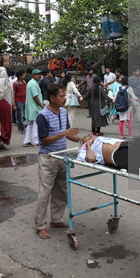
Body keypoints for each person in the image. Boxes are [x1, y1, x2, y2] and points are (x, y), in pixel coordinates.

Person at [34, 83, 81, 239]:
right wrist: (64, 133)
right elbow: (44, 140)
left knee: (61, 191)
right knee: (44, 193)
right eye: (61, 96)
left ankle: (56, 220)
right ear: (52, 98)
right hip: (48, 158)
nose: (65, 98)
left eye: (64, 95)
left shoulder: (63, 111)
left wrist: (82, 139)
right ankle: (40, 226)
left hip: (62, 157)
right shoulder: (42, 115)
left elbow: (68, 135)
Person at [24, 69, 44, 147]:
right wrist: (41, 106)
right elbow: (35, 97)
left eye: (40, 74)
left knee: (30, 124)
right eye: (38, 74)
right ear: (33, 75)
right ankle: (35, 141)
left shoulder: (32, 83)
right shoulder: (33, 84)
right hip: (34, 107)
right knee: (35, 124)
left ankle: (26, 141)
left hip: (31, 106)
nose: (40, 76)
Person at [13, 70, 27, 134]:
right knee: (20, 116)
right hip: (18, 101)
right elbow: (13, 93)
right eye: (23, 75)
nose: (24, 76)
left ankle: (20, 124)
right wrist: (14, 104)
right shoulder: (15, 83)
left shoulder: (24, 82)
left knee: (25, 116)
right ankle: (23, 129)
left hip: (24, 101)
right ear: (20, 76)